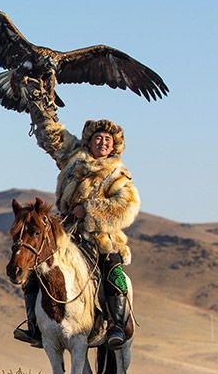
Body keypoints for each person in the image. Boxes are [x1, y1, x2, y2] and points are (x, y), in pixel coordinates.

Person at [13, 77, 140, 350]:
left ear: (114, 146)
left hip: (101, 237)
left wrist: (90, 210)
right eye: (98, 138)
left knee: (114, 275)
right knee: (35, 271)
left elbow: (127, 206)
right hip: (66, 232)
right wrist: (40, 107)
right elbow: (54, 135)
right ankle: (35, 326)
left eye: (107, 139)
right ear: (89, 141)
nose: (102, 142)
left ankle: (117, 325)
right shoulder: (72, 156)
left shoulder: (118, 176)